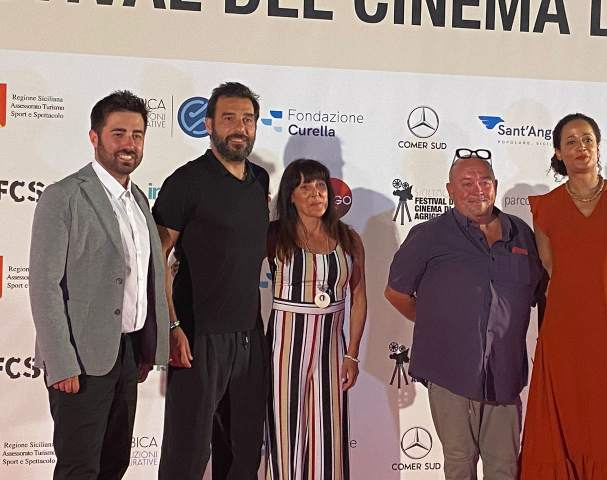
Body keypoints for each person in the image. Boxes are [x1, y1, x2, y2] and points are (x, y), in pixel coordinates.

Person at [28, 90, 169, 480]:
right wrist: (60, 362)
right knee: (79, 468)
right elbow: (44, 285)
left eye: (137, 135)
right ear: (95, 137)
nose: (129, 144)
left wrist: (149, 346)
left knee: (114, 464)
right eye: (118, 133)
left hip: (127, 353)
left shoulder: (138, 199)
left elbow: (145, 277)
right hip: (79, 359)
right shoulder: (64, 196)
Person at [385, 148, 546, 480]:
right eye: (467, 183)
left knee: (505, 466)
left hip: (504, 373)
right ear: (450, 190)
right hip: (450, 372)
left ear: (495, 185)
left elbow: (538, 295)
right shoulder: (429, 235)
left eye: (484, 181)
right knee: (460, 463)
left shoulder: (521, 234)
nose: (477, 190)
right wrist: (438, 324)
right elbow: (396, 293)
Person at [519, 113, 607, 479]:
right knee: (566, 422)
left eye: (587, 139)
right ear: (558, 153)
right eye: (571, 141)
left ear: (598, 145)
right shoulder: (545, 208)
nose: (581, 147)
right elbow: (551, 270)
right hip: (563, 334)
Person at [154, 82, 270, 480]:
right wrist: (172, 326)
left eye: (247, 119)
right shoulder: (186, 181)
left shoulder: (260, 180)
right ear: (208, 125)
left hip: (250, 336)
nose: (240, 128)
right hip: (198, 336)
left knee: (242, 454)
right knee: (186, 454)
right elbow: (157, 258)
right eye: (229, 118)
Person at [264, 159, 367, 480]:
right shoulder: (274, 235)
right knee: (285, 433)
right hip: (284, 351)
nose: (315, 194)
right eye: (304, 187)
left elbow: (359, 297)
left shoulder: (348, 239)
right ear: (290, 197)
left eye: (320, 186)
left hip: (331, 352)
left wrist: (352, 354)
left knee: (329, 435)